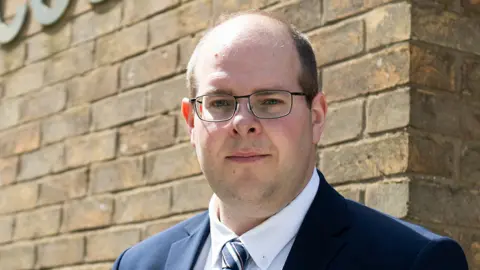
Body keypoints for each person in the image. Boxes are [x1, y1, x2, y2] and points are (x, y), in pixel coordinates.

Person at [112, 11, 469, 270]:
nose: (243, 123)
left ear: (317, 117)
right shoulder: (138, 264)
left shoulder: (413, 261)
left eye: (270, 101)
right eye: (220, 103)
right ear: (191, 123)